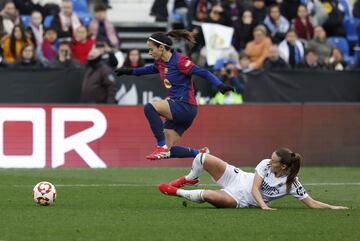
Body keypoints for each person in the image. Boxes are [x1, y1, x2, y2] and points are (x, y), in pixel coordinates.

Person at [114, 29, 233, 160]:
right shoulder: (160, 62)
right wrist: (128, 71)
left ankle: (160, 145)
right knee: (168, 151)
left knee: (150, 107)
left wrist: (220, 85)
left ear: (161, 47)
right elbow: (147, 69)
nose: (149, 52)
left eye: (151, 49)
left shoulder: (180, 61)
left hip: (185, 105)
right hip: (184, 111)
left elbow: (203, 72)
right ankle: (199, 154)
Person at [158, 148, 349, 210]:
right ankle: (190, 178)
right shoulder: (265, 164)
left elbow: (312, 203)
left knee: (208, 195)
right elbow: (256, 188)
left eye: (274, 161)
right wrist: (265, 207)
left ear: (283, 166)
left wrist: (334, 208)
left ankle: (176, 192)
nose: (269, 160)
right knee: (202, 157)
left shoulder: (292, 183)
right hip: (239, 179)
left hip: (241, 199)